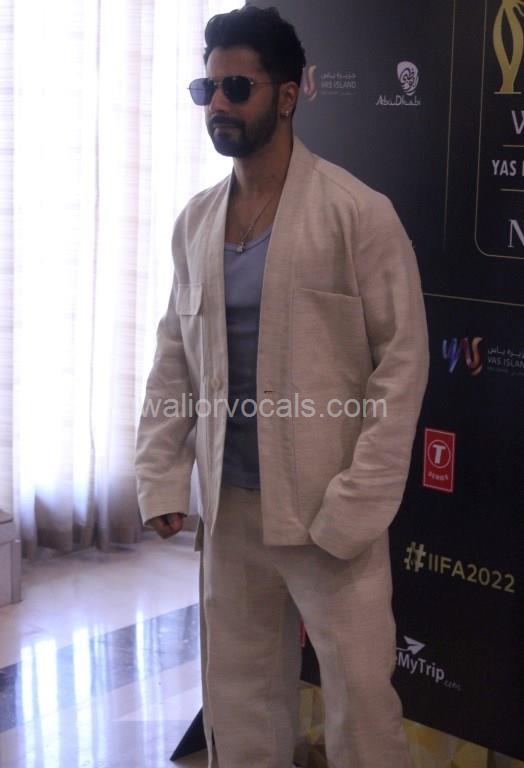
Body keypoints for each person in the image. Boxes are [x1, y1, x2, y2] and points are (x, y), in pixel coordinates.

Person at [135, 5, 428, 767]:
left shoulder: (357, 214)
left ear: (289, 95)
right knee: (239, 696)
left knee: (361, 707)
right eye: (207, 90)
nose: (218, 104)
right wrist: (161, 472)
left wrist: (357, 501)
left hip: (328, 510)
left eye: (237, 87)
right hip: (231, 509)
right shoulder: (195, 222)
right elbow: (175, 355)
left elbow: (402, 366)